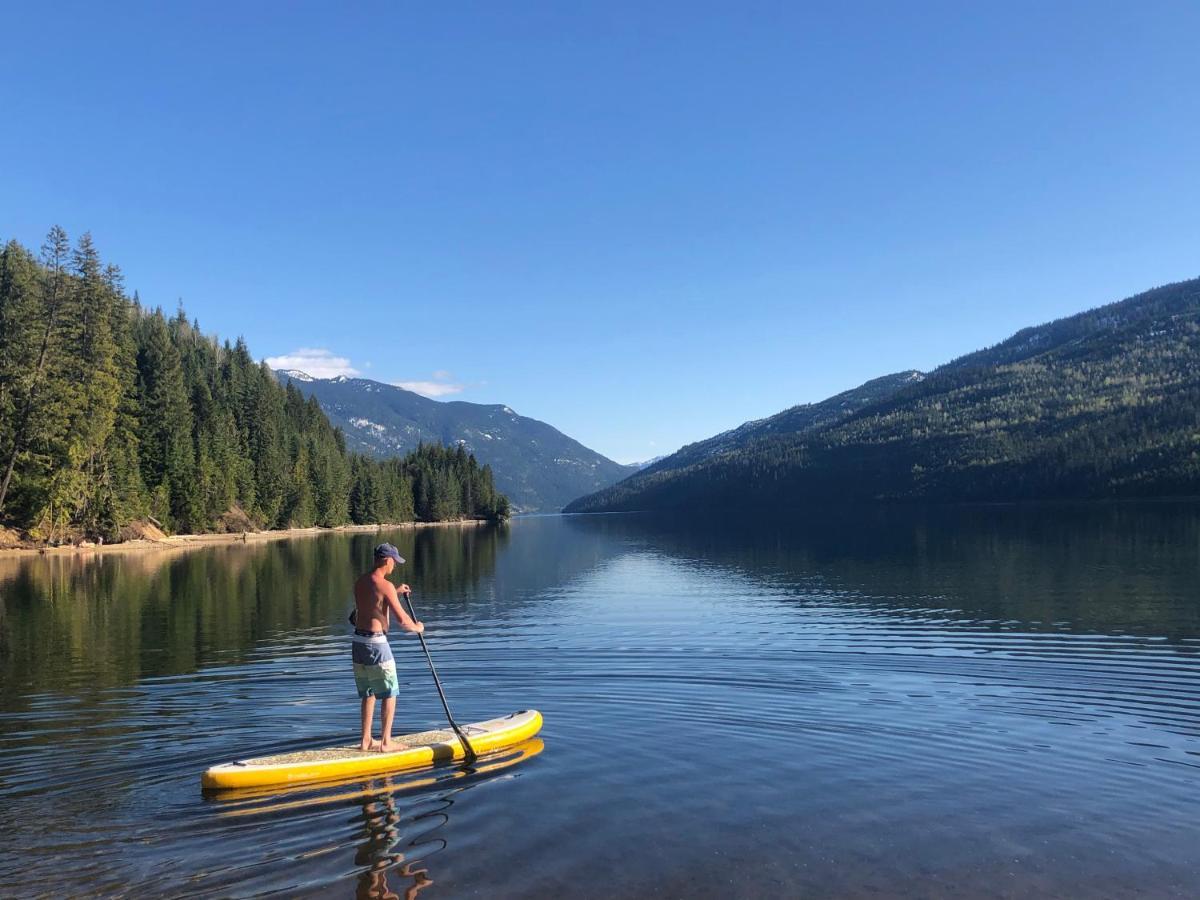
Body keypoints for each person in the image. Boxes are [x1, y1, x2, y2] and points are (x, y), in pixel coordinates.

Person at [352, 542, 424, 752]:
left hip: (358, 643)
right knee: (389, 692)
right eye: (394, 561)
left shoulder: (361, 582)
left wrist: (396, 592)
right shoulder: (386, 586)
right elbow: (403, 621)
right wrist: (418, 627)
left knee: (368, 693)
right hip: (376, 644)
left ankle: (366, 741)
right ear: (386, 560)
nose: (395, 565)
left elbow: (372, 606)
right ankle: (385, 742)